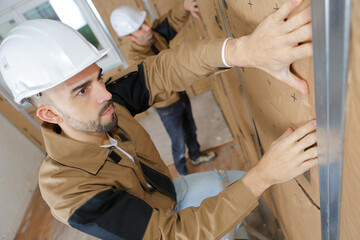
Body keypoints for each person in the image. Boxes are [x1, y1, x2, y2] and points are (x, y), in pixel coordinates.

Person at [0, 0, 316, 239]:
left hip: (169, 196)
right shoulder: (69, 192)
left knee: (236, 186)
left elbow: (159, 70)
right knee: (250, 187)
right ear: (50, 114)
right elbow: (168, 234)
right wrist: (264, 175)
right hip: (157, 230)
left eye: (98, 78)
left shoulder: (103, 103)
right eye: (81, 91)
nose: (106, 94)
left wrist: (244, 50)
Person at [110, 0, 215, 175]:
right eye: (139, 28)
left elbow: (170, 21)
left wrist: (185, 7)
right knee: (178, 139)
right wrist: (196, 57)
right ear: (130, 37)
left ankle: (196, 155)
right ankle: (183, 172)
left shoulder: (154, 35)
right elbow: (168, 73)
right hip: (167, 105)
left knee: (190, 127)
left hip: (180, 94)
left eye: (144, 22)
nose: (147, 28)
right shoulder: (136, 60)